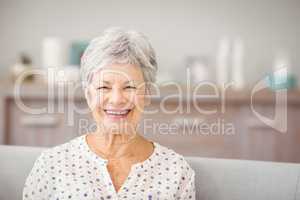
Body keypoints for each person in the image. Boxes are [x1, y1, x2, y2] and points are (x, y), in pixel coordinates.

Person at [23, 27, 195, 200]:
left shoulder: (176, 171)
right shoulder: (51, 165)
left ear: (147, 94)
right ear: (88, 94)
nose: (116, 99)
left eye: (129, 87)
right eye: (104, 87)